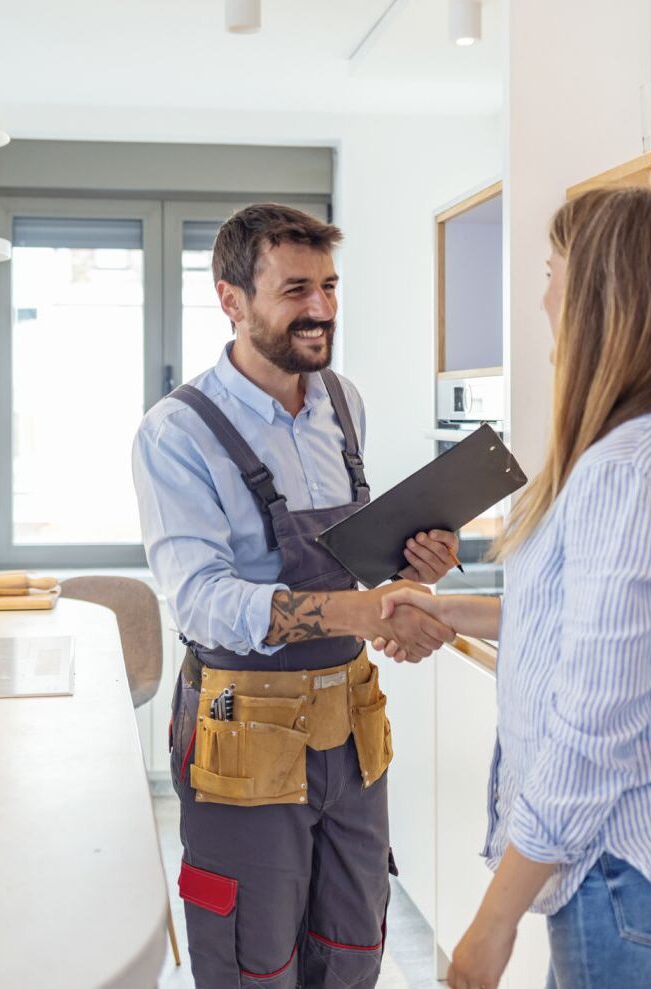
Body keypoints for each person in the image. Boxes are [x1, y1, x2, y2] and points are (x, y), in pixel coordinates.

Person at [376, 187, 651, 988]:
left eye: (553, 272)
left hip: (621, 867)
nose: (543, 297)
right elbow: (579, 627)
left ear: (596, 296)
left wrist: (494, 917)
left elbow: (594, 723)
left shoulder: (624, 469)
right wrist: (447, 610)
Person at [132, 203, 460, 988]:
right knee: (254, 961)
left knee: (351, 947)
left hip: (351, 729)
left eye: (330, 287)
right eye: (295, 290)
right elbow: (202, 601)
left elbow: (353, 561)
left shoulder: (342, 403)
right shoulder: (176, 433)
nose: (320, 309)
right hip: (245, 736)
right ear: (232, 299)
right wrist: (361, 608)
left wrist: (416, 567)